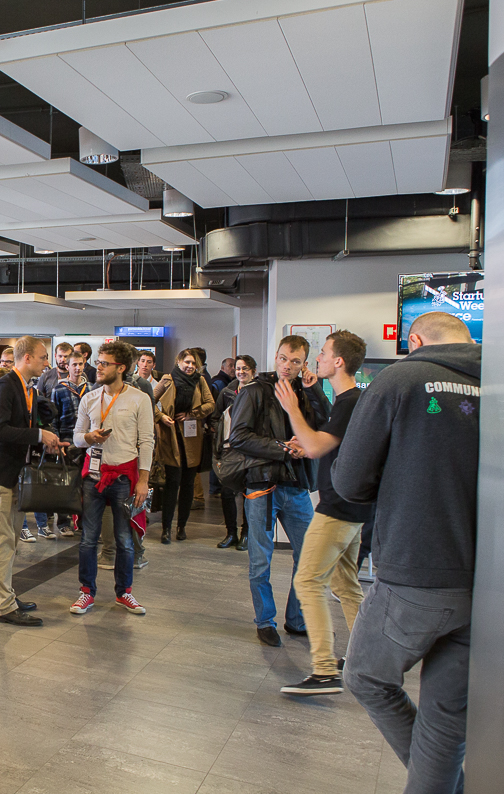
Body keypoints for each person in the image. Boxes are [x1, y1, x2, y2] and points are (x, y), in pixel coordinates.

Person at [332, 312, 478, 792]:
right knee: (446, 719)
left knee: (366, 677)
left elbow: (350, 481)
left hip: (416, 569)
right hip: (486, 583)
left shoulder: (401, 379)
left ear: (414, 340)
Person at [273, 331, 373, 696]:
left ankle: (324, 670)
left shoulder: (350, 402)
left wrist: (292, 410)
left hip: (338, 509)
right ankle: (365, 657)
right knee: (346, 585)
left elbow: (317, 447)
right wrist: (307, 442)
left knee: (307, 582)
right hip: (353, 506)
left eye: (324, 353)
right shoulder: (350, 400)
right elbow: (328, 444)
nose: (318, 359)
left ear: (339, 362)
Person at [228, 335, 329, 647]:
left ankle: (297, 619)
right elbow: (238, 437)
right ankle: (265, 621)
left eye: (295, 361)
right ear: (276, 356)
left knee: (310, 555)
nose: (287, 366)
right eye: (284, 358)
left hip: (296, 486)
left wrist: (314, 391)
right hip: (262, 484)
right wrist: (282, 447)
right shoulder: (255, 390)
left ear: (304, 363)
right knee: (261, 560)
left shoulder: (306, 390)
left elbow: (326, 423)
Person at [0, 336, 66, 626]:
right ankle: (3, 606)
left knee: (11, 540)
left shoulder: (27, 387)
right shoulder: (5, 386)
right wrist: (39, 434)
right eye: (42, 357)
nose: (46, 363)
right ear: (26, 358)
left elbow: (20, 430)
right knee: (2, 541)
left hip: (14, 473)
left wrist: (45, 442)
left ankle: (7, 596)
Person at [71, 340, 153, 617]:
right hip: (93, 477)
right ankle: (86, 592)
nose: (98, 367)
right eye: (99, 362)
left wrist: (143, 480)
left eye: (105, 364)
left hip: (124, 478)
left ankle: (124, 592)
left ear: (121, 368)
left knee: (124, 540)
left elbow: (147, 441)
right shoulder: (90, 398)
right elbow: (76, 437)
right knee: (88, 539)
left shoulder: (139, 399)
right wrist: (89, 437)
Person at [151, 349, 215, 544]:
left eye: (193, 363)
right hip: (171, 437)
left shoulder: (200, 381)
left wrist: (192, 414)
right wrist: (161, 417)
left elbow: (210, 404)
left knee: (188, 484)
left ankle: (182, 527)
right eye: (187, 362)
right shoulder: (168, 380)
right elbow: (149, 401)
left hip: (191, 438)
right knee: (172, 483)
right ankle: (166, 528)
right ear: (178, 362)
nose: (190, 366)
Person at [213, 355, 256, 550]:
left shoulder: (259, 392)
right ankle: (231, 533)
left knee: (248, 493)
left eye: (245, 368)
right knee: (227, 492)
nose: (241, 372)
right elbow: (215, 418)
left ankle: (246, 533)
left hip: (251, 451)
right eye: (238, 368)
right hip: (229, 450)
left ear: (253, 371)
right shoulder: (227, 392)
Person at [51, 351, 89, 538]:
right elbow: (54, 419)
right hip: (67, 440)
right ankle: (64, 522)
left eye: (80, 364)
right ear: (67, 366)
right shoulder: (59, 389)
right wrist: (57, 442)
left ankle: (82, 522)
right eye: (74, 364)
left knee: (86, 485)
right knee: (66, 483)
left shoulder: (90, 389)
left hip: (87, 442)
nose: (77, 368)